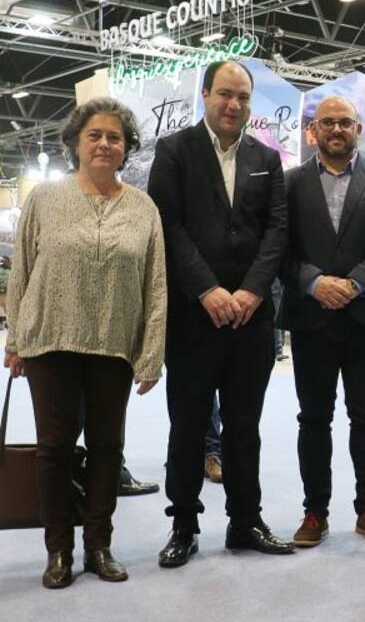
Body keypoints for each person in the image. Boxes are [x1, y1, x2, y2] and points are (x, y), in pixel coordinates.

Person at [4, 98, 166, 588]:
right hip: (49, 342)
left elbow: (155, 285)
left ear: (126, 148)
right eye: (94, 135)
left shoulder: (143, 208)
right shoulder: (43, 199)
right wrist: (15, 338)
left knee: (107, 448)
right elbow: (21, 272)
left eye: (114, 137)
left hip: (114, 346)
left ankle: (98, 544)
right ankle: (58, 549)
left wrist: (151, 354)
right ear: (75, 142)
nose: (104, 144)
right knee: (54, 449)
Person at [147, 59, 293, 568]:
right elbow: (168, 225)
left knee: (244, 425)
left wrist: (251, 291)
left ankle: (245, 521)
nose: (234, 105)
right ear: (205, 95)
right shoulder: (174, 151)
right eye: (225, 94)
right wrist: (207, 290)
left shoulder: (266, 157)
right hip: (194, 317)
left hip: (251, 319)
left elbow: (277, 230)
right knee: (188, 425)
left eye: (243, 97)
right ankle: (183, 525)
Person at [280, 95, 365, 547]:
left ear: (359, 129)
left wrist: (355, 284)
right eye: (328, 122)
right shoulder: (289, 184)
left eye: (345, 122)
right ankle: (314, 512)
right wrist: (314, 283)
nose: (336, 129)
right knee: (313, 419)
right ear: (313, 130)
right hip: (311, 317)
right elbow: (278, 246)